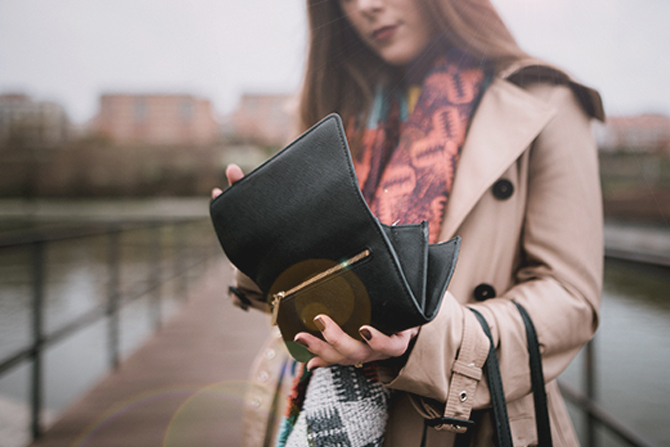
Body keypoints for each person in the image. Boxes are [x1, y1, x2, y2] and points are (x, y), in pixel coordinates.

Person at [213, 0, 604, 445]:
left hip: (464, 423)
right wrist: (260, 246)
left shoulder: (544, 101)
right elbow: (302, 295)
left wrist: (424, 341)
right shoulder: (335, 107)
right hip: (309, 404)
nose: (367, 7)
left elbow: (570, 298)